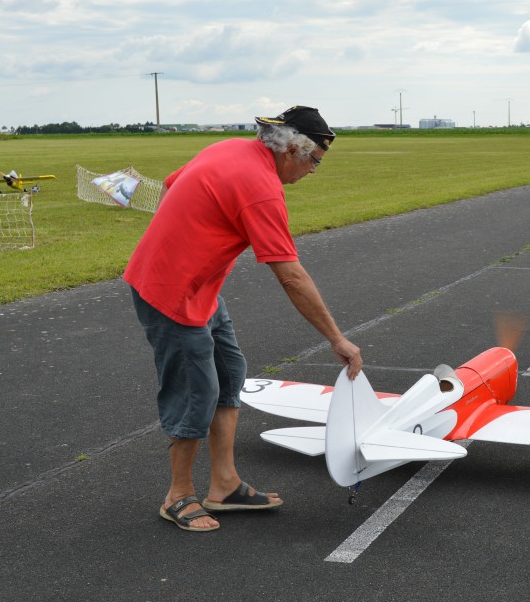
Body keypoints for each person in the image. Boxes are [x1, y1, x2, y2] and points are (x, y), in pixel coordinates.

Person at [124, 105, 363, 532]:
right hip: (171, 295)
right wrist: (337, 338)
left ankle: (225, 485)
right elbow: (290, 275)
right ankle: (178, 496)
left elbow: (170, 185)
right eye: (313, 162)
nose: (313, 171)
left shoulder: (229, 148)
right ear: (291, 148)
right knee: (197, 390)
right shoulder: (261, 189)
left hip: (202, 289)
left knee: (230, 373)